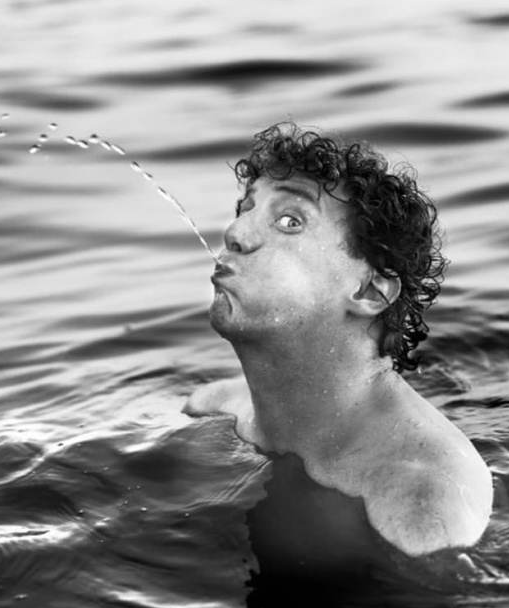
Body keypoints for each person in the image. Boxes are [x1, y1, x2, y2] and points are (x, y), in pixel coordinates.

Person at [185, 122, 493, 560]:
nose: (235, 232)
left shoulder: (419, 498)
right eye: (246, 208)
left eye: (290, 221)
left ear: (370, 292)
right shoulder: (211, 411)